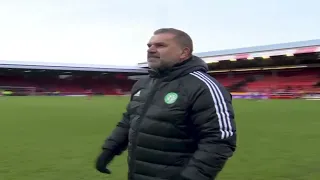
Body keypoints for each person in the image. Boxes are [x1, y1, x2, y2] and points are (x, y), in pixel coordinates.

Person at [95, 28, 237, 180]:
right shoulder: (143, 83)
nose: (151, 50)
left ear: (184, 53)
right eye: (149, 46)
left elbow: (220, 139)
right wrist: (110, 149)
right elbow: (129, 120)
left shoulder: (203, 87)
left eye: (160, 45)